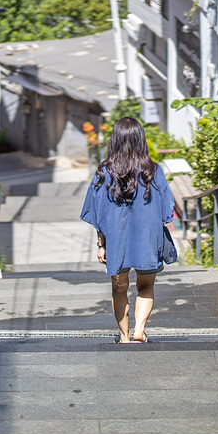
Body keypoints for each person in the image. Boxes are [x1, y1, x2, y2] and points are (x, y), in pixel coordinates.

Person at [80, 117, 175, 343]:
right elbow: (167, 211)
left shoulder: (104, 172)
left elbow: (97, 213)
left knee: (119, 288)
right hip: (147, 238)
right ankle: (139, 330)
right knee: (146, 286)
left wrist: (101, 245)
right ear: (141, 140)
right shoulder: (153, 171)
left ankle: (124, 336)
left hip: (116, 240)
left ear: (114, 140)